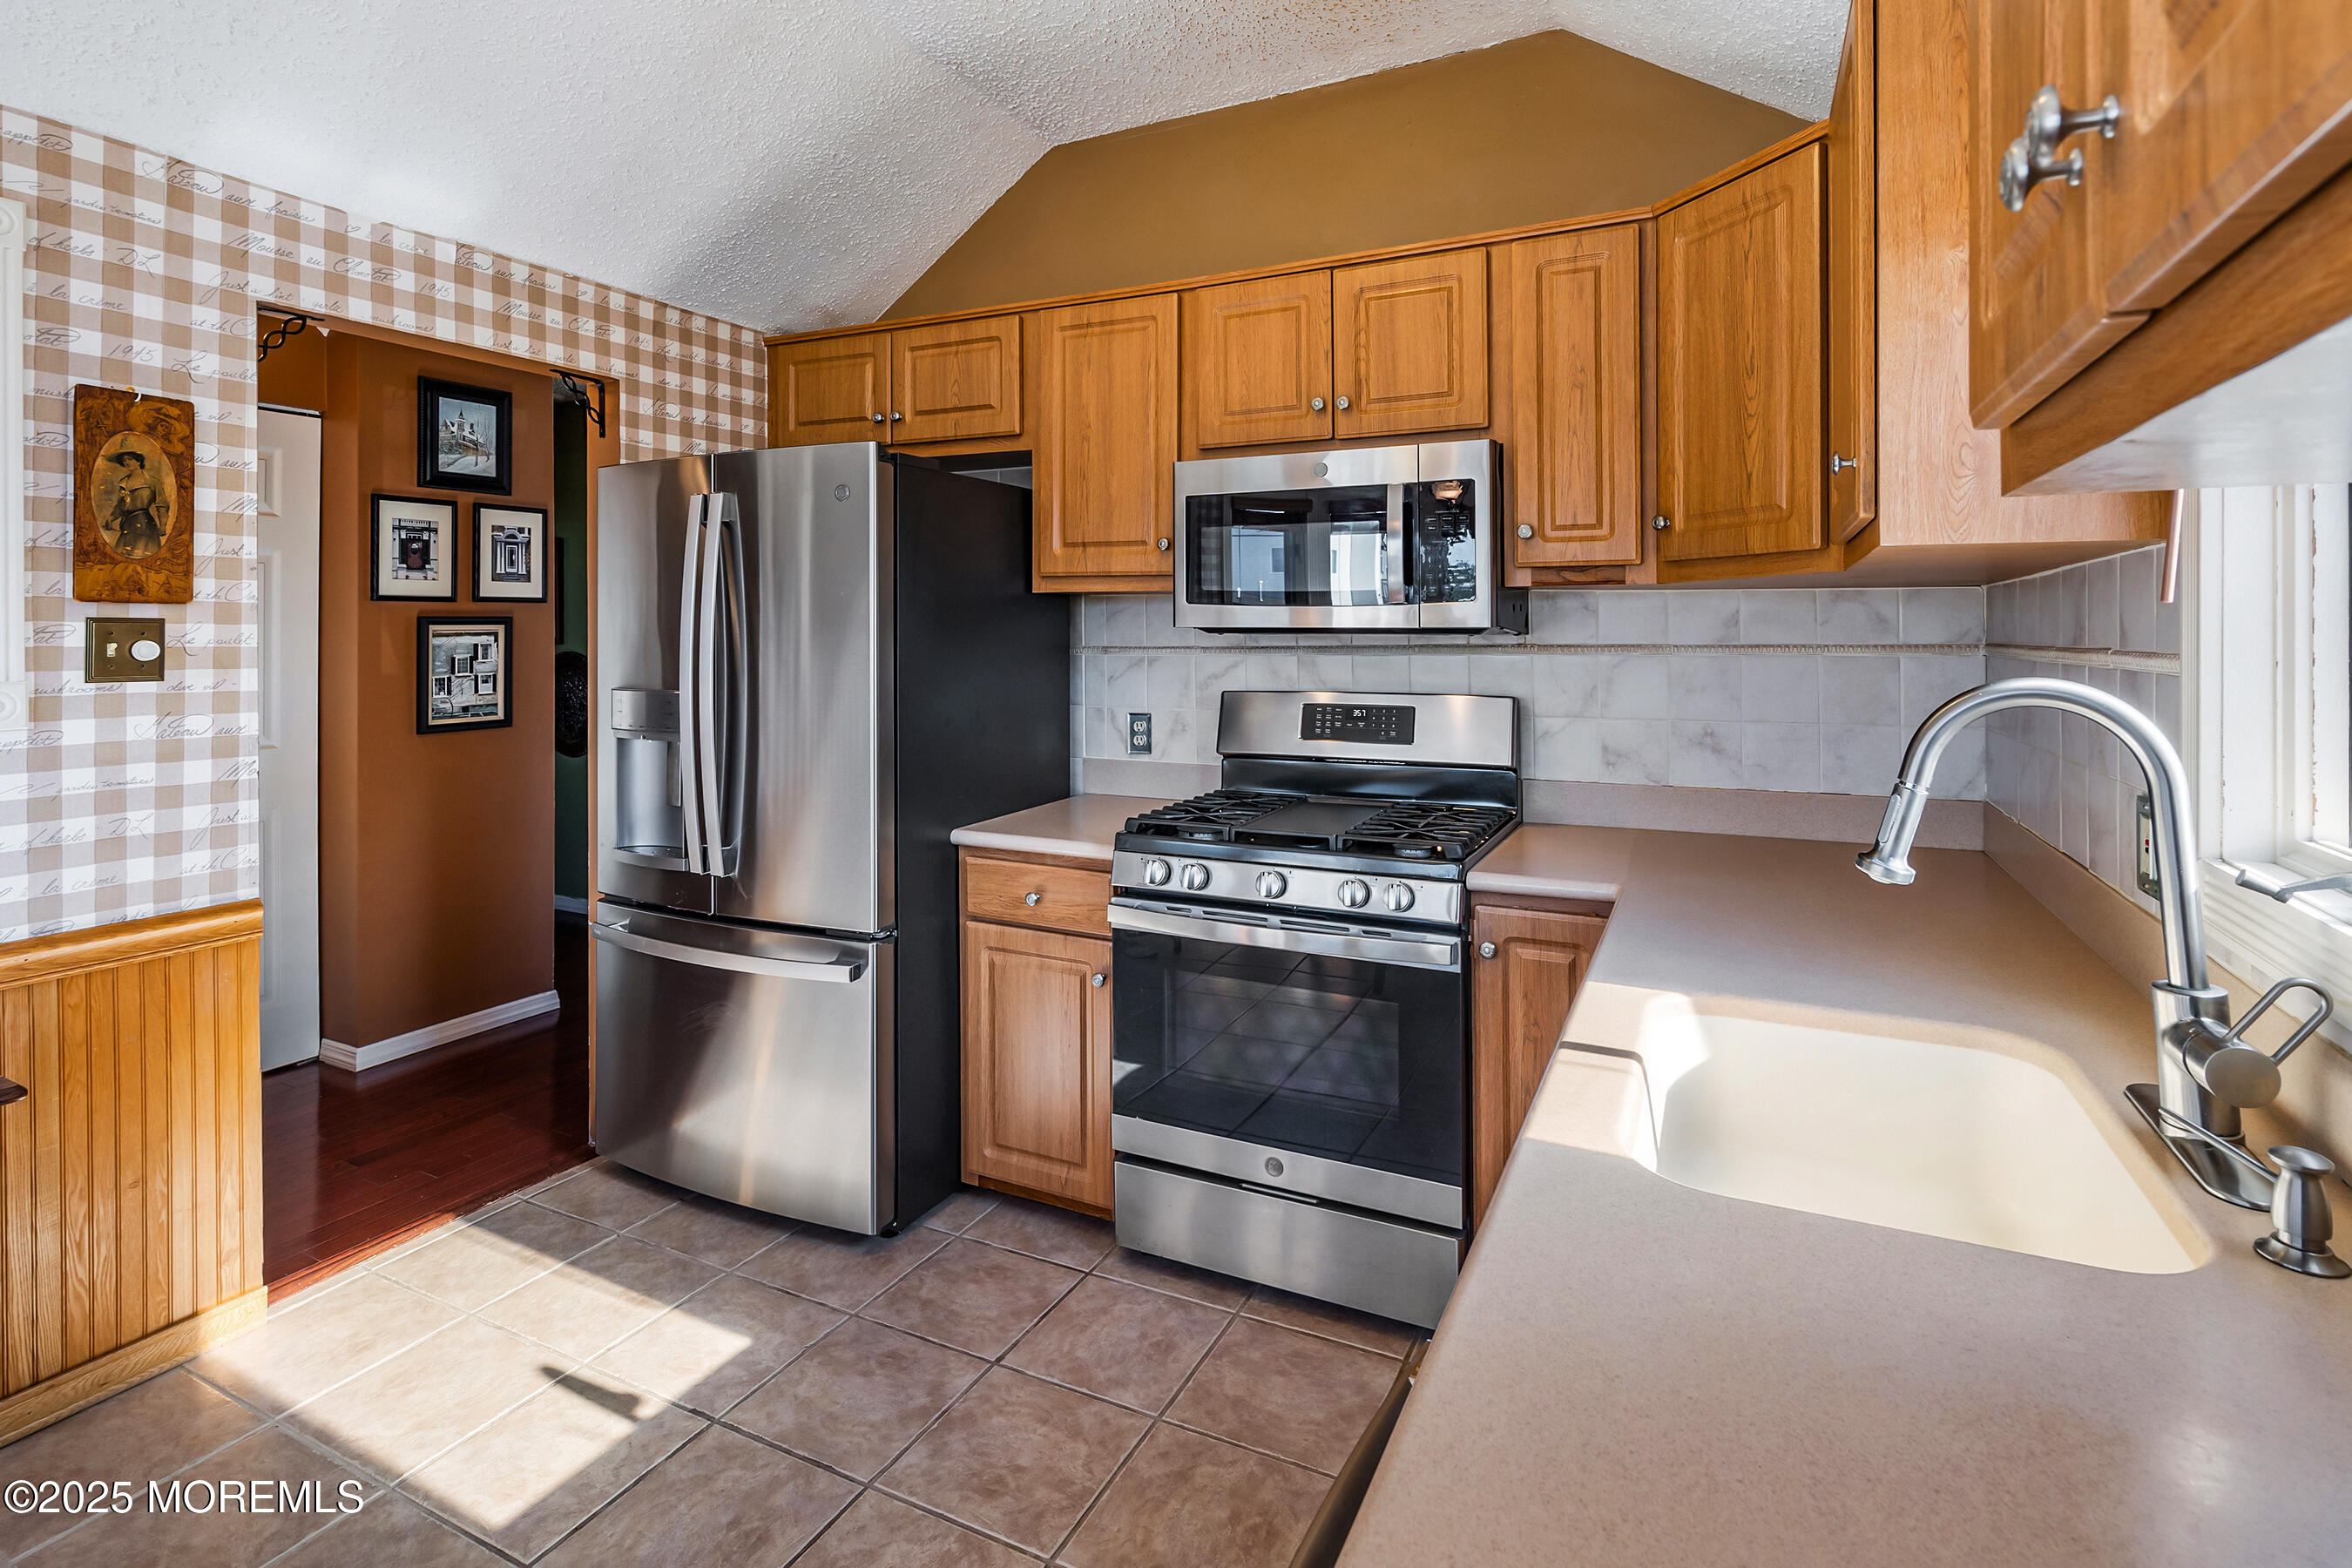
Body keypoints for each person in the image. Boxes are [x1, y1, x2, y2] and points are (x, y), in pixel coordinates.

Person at [105, 449, 166, 558]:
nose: (126, 462)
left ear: (138, 461)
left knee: (141, 553)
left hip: (144, 525)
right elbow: (120, 506)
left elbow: (162, 505)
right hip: (127, 525)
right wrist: (111, 518)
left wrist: (163, 526)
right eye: (124, 460)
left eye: (130, 459)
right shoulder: (123, 482)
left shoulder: (152, 482)